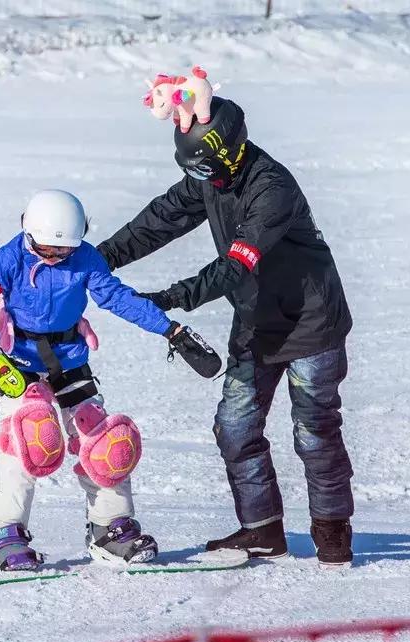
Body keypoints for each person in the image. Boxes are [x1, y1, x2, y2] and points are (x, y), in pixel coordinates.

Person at [97, 97, 357, 567]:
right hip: (257, 323)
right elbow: (161, 220)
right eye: (193, 172)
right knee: (235, 429)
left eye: (205, 171)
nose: (201, 182)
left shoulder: (271, 189)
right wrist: (97, 260)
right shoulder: (210, 175)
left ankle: (332, 530)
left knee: (314, 432)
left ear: (232, 151)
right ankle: (262, 532)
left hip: (311, 326)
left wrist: (170, 298)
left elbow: (235, 267)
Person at [0, 189, 218, 571]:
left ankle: (109, 528)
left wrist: (171, 330)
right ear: (27, 232)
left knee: (105, 442)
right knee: (29, 437)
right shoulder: (9, 258)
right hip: (16, 363)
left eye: (61, 252)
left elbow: (118, 298)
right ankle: (1, 531)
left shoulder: (86, 259)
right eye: (43, 249)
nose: (52, 257)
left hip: (70, 361)